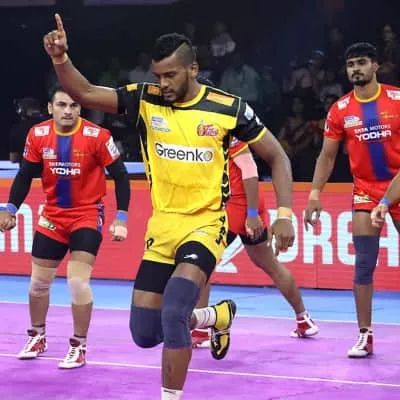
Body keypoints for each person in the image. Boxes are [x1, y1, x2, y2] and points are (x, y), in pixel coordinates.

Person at [43, 14, 295, 399]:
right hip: (162, 227)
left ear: (193, 69)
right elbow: (87, 92)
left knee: (174, 310)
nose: (164, 84)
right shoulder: (146, 99)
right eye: (159, 75)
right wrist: (61, 58)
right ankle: (215, 316)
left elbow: (277, 156)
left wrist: (284, 214)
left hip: (206, 225)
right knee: (145, 333)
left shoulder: (228, 108)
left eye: (171, 75)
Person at [0, 85, 130, 368]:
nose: (68, 111)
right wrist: (9, 208)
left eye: (73, 106)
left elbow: (120, 176)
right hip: (52, 216)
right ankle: (38, 336)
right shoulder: (37, 134)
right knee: (38, 284)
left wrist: (121, 217)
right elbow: (25, 174)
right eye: (61, 105)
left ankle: (79, 345)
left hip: (86, 215)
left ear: (80, 108)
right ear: (50, 108)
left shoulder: (98, 136)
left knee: (77, 281)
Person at [304, 42, 400, 358]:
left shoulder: (397, 100)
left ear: (375, 66)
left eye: (361, 62)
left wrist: (387, 201)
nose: (355, 69)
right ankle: (364, 334)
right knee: (363, 264)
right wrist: (315, 192)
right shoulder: (340, 109)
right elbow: (327, 156)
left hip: (399, 185)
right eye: (350, 64)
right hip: (366, 191)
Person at [192, 138, 319, 348]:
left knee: (202, 261)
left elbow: (250, 169)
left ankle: (200, 331)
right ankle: (303, 319)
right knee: (269, 264)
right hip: (244, 203)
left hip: (237, 205)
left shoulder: (226, 129)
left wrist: (251, 214)